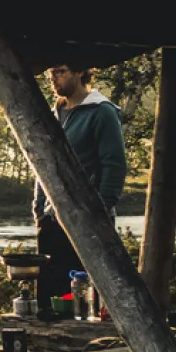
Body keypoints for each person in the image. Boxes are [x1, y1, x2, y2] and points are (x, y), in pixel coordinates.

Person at [32, 64, 128, 309]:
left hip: (88, 218)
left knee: (85, 296)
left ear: (80, 72)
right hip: (52, 219)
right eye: (51, 72)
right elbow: (43, 163)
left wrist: (101, 210)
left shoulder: (101, 111)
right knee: (50, 296)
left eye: (61, 71)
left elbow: (114, 165)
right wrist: (39, 208)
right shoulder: (54, 114)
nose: (54, 78)